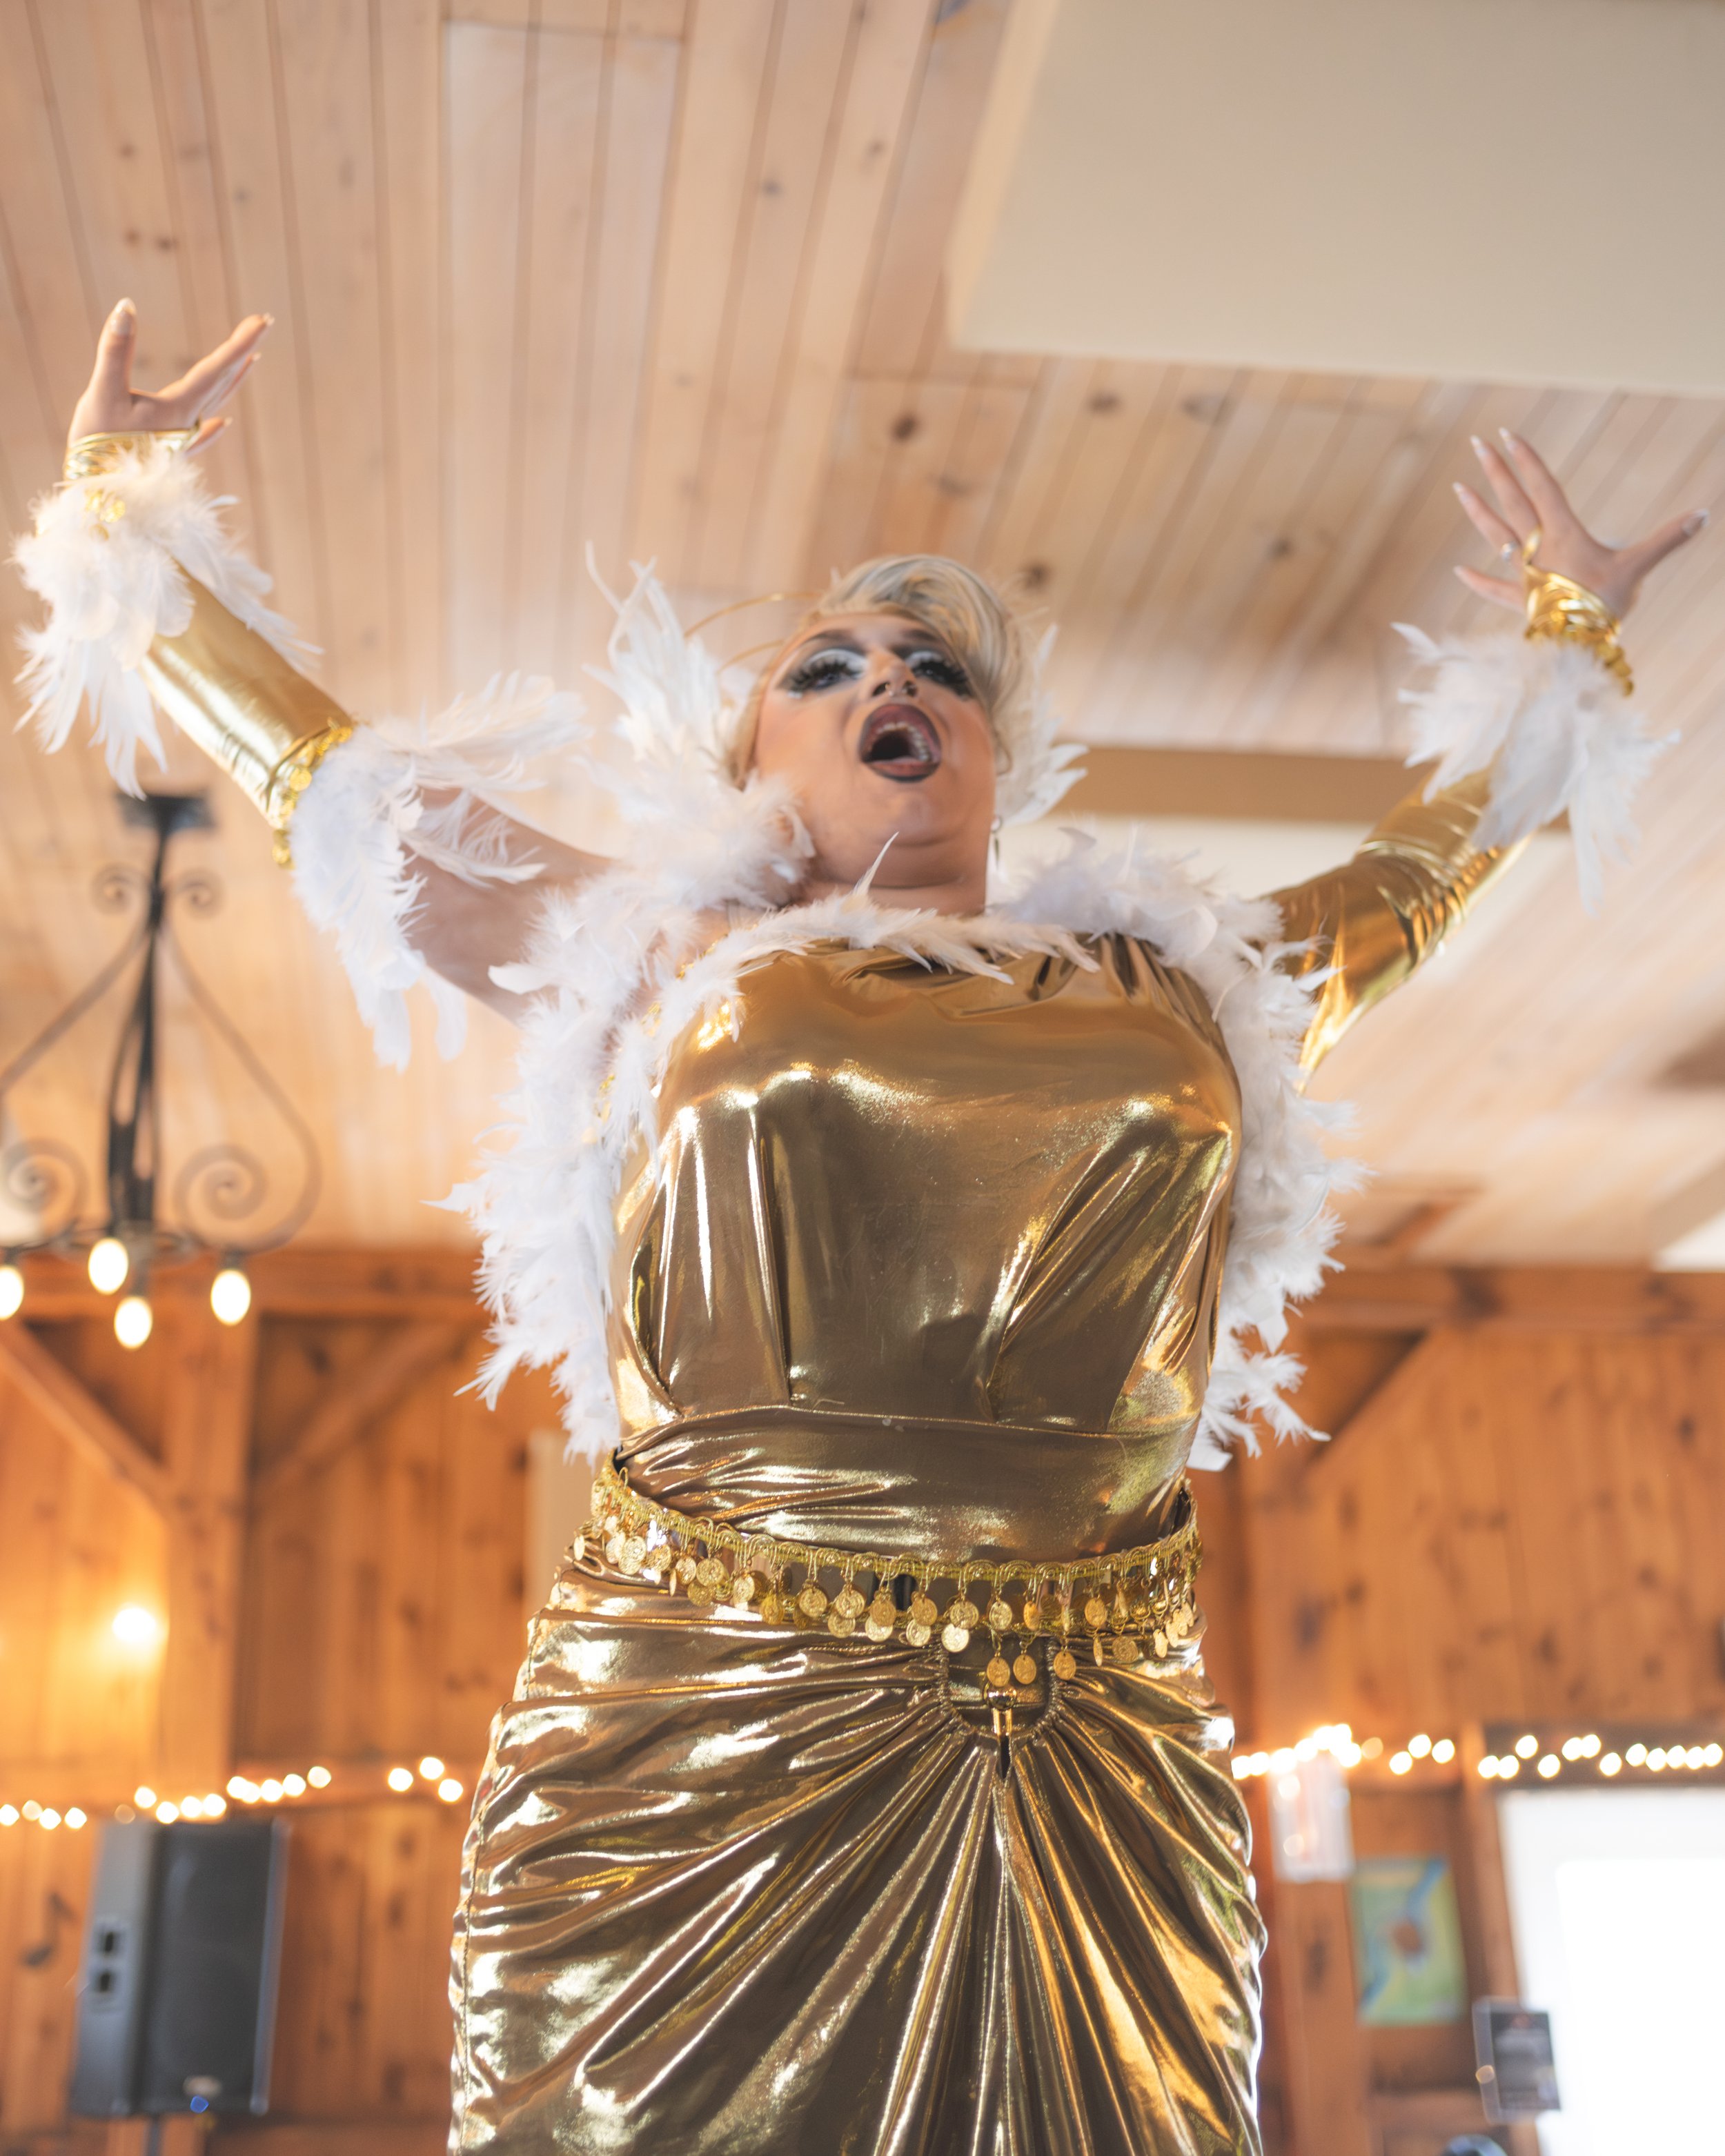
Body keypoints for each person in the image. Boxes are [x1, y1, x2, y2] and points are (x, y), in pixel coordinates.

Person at [16, 301, 1703, 2154]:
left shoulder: (1186, 980)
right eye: (824, 665)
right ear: (754, 755)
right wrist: (117, 507)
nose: (890, 674)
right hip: (702, 1739)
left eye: (938, 668)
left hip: (1090, 1742)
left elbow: (1429, 863)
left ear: (990, 751)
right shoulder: (659, 950)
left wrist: (1567, 635)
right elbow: (315, 776)